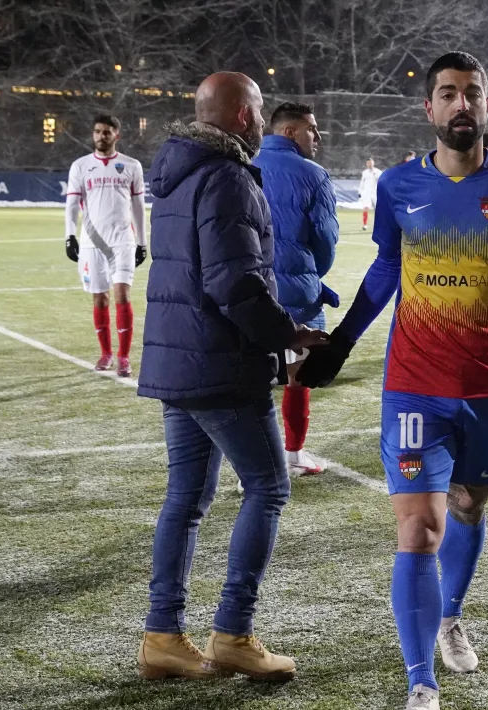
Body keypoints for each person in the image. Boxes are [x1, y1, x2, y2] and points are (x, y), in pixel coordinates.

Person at [298, 51, 488, 710]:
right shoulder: (398, 186)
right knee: (418, 531)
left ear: (486, 105)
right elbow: (387, 267)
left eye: (472, 93)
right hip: (413, 383)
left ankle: (450, 616)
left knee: (470, 506)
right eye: (448, 93)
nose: (460, 104)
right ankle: (421, 682)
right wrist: (342, 342)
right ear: (430, 107)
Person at [136, 72, 328, 682]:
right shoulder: (227, 176)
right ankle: (233, 634)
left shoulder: (176, 172)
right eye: (260, 111)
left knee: (186, 499)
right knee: (268, 488)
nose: (262, 121)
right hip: (220, 365)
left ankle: (162, 636)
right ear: (245, 116)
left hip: (179, 361)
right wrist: (289, 334)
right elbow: (234, 282)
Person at [253, 101, 340, 475]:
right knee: (297, 375)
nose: (318, 136)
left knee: (252, 379)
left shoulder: (243, 164)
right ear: (290, 132)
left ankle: (255, 465)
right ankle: (293, 455)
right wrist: (310, 276)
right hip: (298, 294)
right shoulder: (314, 175)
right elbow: (326, 241)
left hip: (247, 289)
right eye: (311, 129)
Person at [64, 114, 147, 375]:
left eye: (107, 132)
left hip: (122, 241)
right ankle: (106, 353)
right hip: (92, 242)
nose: (102, 136)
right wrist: (69, 236)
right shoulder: (80, 166)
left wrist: (142, 242)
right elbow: (71, 204)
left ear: (116, 135)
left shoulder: (132, 165)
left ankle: (123, 357)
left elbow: (138, 206)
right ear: (93, 135)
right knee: (99, 299)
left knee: (122, 294)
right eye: (98, 131)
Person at [359, 157, 382, 230]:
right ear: (366, 164)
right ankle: (365, 225)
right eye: (368, 163)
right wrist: (360, 191)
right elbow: (362, 182)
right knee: (366, 208)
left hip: (375, 193)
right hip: (366, 193)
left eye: (371, 163)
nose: (369, 164)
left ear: (373, 163)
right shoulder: (364, 172)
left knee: (377, 209)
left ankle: (378, 225)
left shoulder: (378, 172)